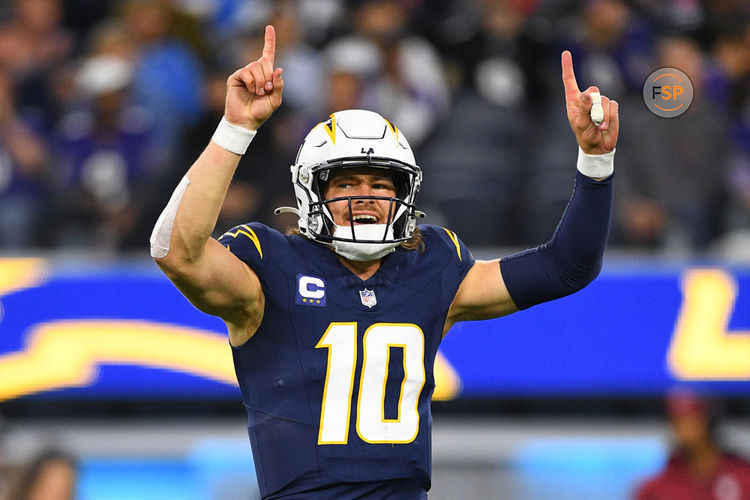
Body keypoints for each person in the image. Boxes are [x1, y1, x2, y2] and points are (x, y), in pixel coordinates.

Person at [152, 25, 618, 499]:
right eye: (347, 184)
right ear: (312, 193)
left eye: (381, 185)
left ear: (405, 194)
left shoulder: (432, 263)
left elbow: (567, 267)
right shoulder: (270, 263)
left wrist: (595, 162)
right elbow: (177, 252)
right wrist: (237, 129)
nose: (366, 198)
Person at [635, 390, 750, 500]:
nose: (684, 429)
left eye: (691, 419)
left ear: (708, 421)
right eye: (676, 421)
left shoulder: (743, 477)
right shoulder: (655, 489)